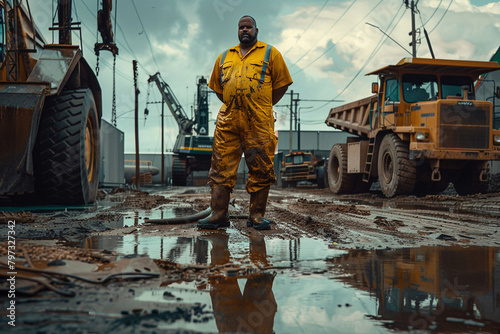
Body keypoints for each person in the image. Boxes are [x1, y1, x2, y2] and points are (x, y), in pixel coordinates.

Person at [197, 15, 292, 230]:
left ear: (256, 30)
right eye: (241, 27)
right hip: (229, 123)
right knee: (221, 167)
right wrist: (237, 104)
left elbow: (282, 85)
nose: (245, 30)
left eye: (248, 27)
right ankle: (218, 214)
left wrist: (262, 105)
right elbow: (219, 89)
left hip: (258, 122)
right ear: (237, 31)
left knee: (260, 168)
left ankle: (256, 216)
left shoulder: (271, 53)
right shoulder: (224, 57)